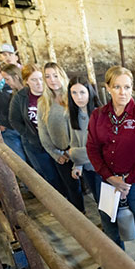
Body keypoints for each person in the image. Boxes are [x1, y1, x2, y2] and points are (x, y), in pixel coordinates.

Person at [87, 66, 135, 269]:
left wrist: (128, 180)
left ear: (132, 88)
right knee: (109, 221)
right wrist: (109, 177)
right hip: (108, 180)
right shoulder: (98, 116)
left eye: (127, 87)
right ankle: (116, 261)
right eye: (117, 86)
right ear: (107, 87)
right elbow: (92, 147)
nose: (122, 92)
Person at [9, 63, 65, 194]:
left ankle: (72, 203)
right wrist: (30, 135)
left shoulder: (53, 93)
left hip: (57, 143)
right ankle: (57, 204)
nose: (39, 83)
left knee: (65, 175)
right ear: (26, 81)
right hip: (35, 145)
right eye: (33, 79)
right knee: (49, 176)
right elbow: (14, 120)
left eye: (41, 78)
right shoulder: (20, 97)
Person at [37, 62, 84, 212]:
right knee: (71, 187)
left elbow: (81, 126)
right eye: (48, 77)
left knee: (90, 183)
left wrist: (75, 152)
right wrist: (55, 153)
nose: (52, 80)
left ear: (62, 76)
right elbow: (42, 132)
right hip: (60, 152)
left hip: (77, 149)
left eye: (56, 76)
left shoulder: (73, 97)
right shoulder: (43, 103)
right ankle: (80, 216)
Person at [66, 76, 103, 204]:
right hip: (87, 167)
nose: (79, 97)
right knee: (98, 200)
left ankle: (110, 224)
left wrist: (73, 154)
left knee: (104, 203)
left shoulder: (99, 114)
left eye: (82, 92)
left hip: (101, 168)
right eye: (74, 93)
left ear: (90, 92)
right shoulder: (73, 114)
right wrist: (78, 165)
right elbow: (74, 141)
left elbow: (101, 149)